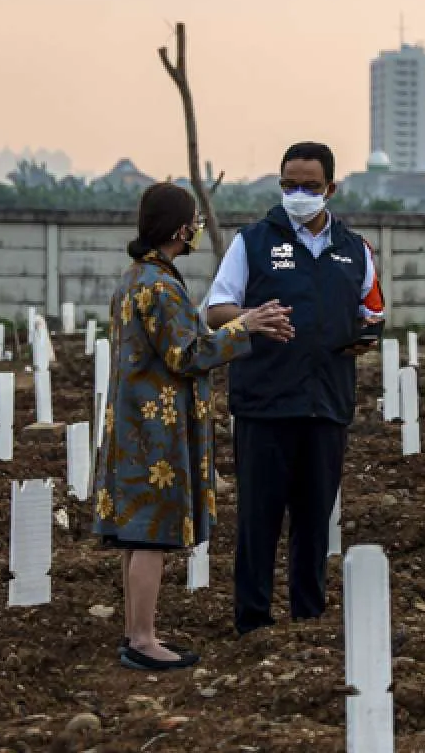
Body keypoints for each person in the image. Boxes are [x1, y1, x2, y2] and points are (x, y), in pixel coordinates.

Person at [92, 183, 293, 671]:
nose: (198, 230)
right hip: (155, 432)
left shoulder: (135, 278)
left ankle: (135, 632)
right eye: (194, 222)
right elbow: (187, 353)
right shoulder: (161, 287)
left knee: (139, 534)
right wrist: (242, 328)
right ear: (181, 229)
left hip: (133, 423)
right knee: (153, 534)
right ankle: (142, 640)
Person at [205, 141, 383, 636]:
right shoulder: (253, 242)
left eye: (309, 186)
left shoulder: (356, 251)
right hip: (265, 404)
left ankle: (309, 619)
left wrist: (365, 338)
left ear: (331, 188)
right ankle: (253, 622)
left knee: (314, 522)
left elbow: (374, 313)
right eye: (289, 185)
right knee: (259, 522)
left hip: (327, 403)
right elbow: (215, 310)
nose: (298, 194)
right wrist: (250, 317)